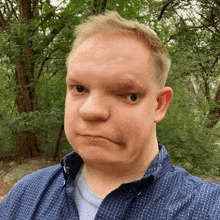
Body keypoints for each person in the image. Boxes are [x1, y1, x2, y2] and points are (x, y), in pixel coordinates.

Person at [0, 11, 220, 220]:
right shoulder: (24, 195)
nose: (90, 110)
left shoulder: (208, 208)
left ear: (159, 105)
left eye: (127, 95)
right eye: (79, 88)